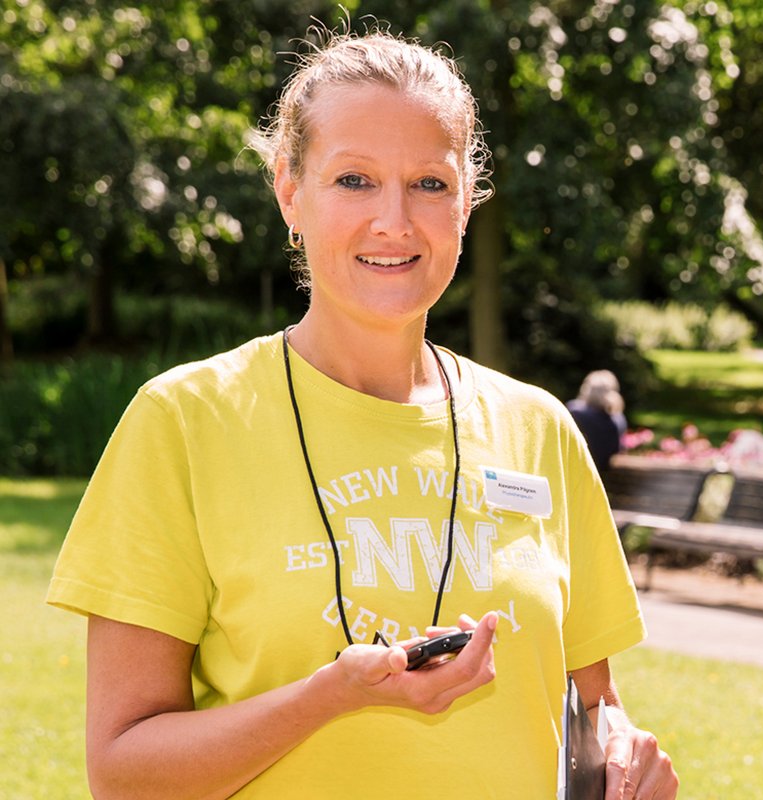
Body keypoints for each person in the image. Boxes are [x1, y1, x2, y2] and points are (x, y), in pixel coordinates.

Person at [47, 31, 677, 798]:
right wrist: (326, 699)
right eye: (354, 179)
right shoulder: (183, 421)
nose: (395, 220)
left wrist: (622, 750)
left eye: (430, 184)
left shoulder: (540, 430)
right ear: (289, 191)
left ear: (468, 201)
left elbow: (594, 706)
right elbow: (123, 774)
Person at [568, 369, 627, 468]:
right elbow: (617, 449)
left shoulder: (575, 411)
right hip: (606, 473)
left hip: (578, 468)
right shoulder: (618, 419)